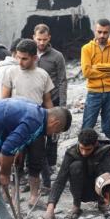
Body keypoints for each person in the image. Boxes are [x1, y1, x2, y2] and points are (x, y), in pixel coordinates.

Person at [1, 38, 55, 206]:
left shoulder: (42, 75)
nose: (20, 62)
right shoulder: (11, 73)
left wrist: (52, 123)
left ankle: (34, 196)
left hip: (37, 125)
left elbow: (47, 102)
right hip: (16, 125)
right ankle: (14, 195)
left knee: (36, 161)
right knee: (16, 161)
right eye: (18, 57)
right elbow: (4, 101)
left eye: (24, 58)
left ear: (34, 58)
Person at [42, 128, 110, 219]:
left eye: (88, 149)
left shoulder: (104, 151)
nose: (84, 152)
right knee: (76, 166)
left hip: (100, 190)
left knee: (104, 169)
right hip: (80, 190)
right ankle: (76, 206)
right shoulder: (71, 153)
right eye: (81, 148)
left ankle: (103, 203)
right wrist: (50, 208)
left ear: (95, 144)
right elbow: (60, 181)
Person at [34, 23, 68, 172]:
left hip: (52, 101)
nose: (41, 43)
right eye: (39, 39)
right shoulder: (29, 55)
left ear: (49, 38)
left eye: (44, 39)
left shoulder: (57, 56)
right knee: (36, 136)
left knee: (53, 135)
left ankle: (51, 165)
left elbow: (62, 80)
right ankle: (38, 165)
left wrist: (62, 104)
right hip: (34, 102)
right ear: (33, 38)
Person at [81, 18, 110, 139]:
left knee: (107, 128)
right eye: (99, 32)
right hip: (94, 92)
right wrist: (108, 71)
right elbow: (87, 72)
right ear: (95, 31)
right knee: (87, 128)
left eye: (105, 32)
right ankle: (84, 155)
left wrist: (97, 67)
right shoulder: (86, 49)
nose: (102, 35)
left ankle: (104, 154)